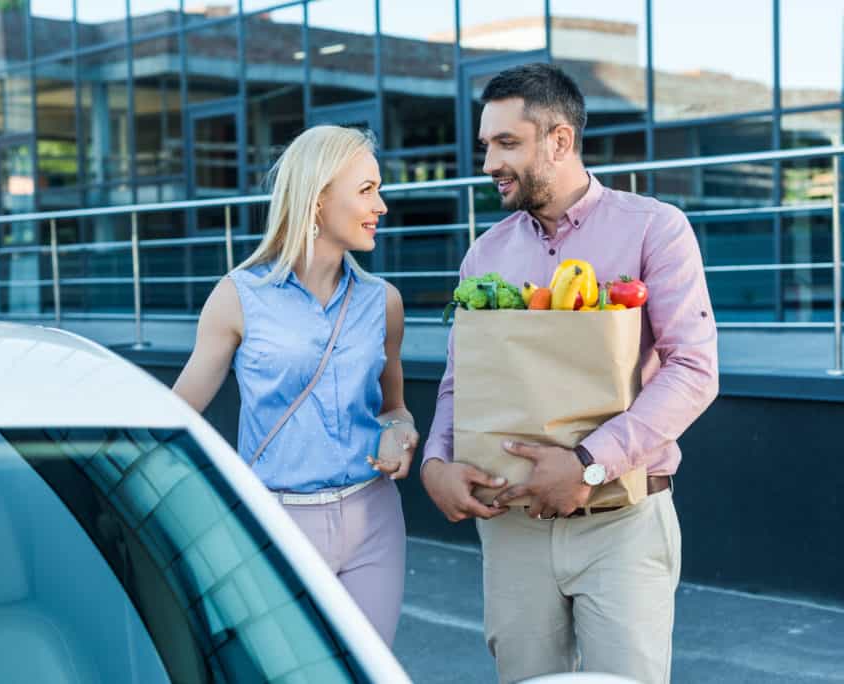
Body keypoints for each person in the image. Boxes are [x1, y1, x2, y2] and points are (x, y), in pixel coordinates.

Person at [421, 63, 719, 683]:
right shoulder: (485, 253)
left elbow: (694, 370)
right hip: (512, 529)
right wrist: (435, 462)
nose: (489, 165)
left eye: (507, 144)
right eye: (486, 146)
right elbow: (460, 379)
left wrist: (588, 462)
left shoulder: (654, 229)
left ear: (559, 141)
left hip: (622, 523)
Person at [173, 125, 419, 647]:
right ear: (317, 196)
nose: (383, 206)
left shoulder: (384, 302)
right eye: (367, 190)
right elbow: (177, 418)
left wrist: (400, 433)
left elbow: (396, 408)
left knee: (366, 670)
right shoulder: (238, 296)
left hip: (372, 517)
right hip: (277, 522)